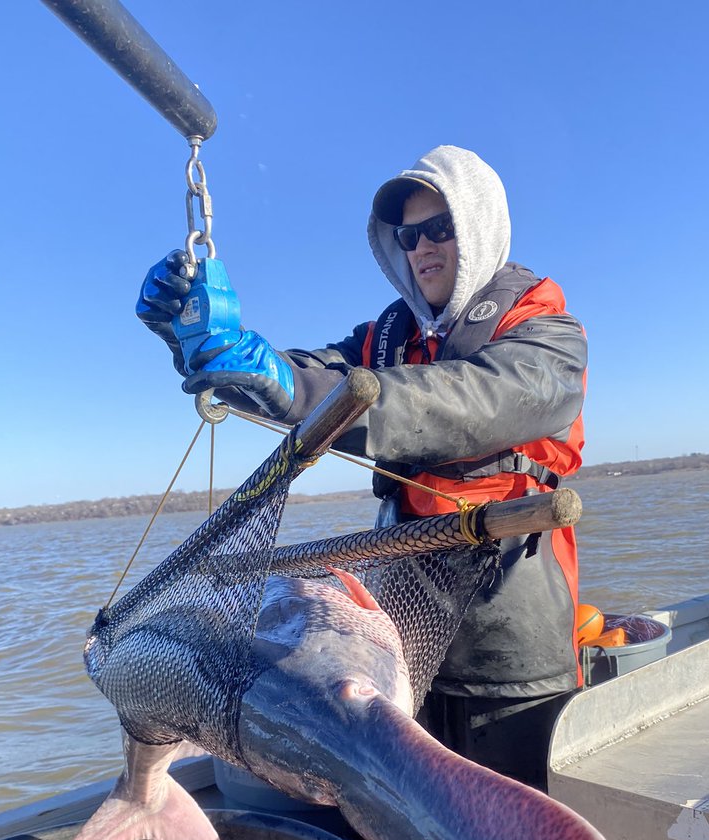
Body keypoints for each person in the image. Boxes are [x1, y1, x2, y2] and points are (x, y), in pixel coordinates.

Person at [136, 145, 587, 790]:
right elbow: (296, 377)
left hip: (510, 629)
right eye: (407, 235)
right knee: (407, 817)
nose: (421, 247)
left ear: (481, 226)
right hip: (399, 627)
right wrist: (198, 344)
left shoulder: (547, 336)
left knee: (510, 823)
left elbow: (470, 400)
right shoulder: (386, 335)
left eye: (441, 228)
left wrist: (299, 391)